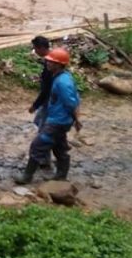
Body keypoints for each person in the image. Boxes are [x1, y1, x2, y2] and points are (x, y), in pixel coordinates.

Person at [15, 47, 82, 185]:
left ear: (59, 64)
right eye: (48, 61)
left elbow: (72, 102)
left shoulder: (63, 82)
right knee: (59, 147)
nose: (47, 63)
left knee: (37, 146)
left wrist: (76, 119)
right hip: (59, 120)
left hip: (57, 121)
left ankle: (27, 177)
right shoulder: (61, 78)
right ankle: (61, 176)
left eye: (51, 62)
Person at [28, 35, 52, 129]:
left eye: (35, 48)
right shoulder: (51, 60)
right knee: (39, 122)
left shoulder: (50, 64)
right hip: (48, 99)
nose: (35, 51)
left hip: (49, 99)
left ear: (41, 48)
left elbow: (47, 88)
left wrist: (35, 105)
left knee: (42, 125)